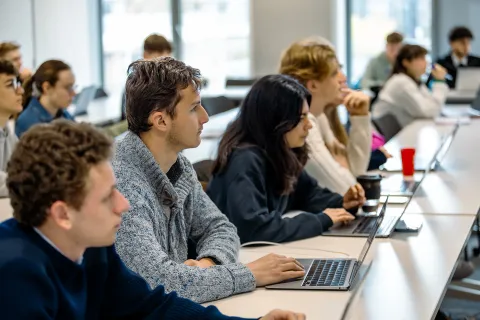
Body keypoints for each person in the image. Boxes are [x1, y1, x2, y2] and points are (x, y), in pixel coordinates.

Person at [0, 120, 305, 320]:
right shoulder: (15, 276)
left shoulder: (90, 247)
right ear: (62, 214)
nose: (123, 205)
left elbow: (153, 307)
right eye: (108, 196)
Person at [113, 57, 305, 304]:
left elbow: (221, 228)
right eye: (194, 108)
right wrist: (249, 274)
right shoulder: (122, 183)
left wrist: (208, 264)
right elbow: (158, 283)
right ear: (160, 120)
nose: (205, 117)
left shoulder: (178, 166)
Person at [207, 74, 364, 244]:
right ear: (276, 120)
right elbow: (254, 229)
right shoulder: (244, 160)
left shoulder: (281, 152)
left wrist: (342, 203)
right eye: (301, 117)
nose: (309, 125)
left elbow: (307, 194)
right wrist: (321, 220)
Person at [279, 39, 372, 195]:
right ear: (313, 85)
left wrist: (360, 116)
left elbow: (357, 171)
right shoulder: (301, 125)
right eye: (335, 72)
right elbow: (345, 189)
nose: (343, 78)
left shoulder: (319, 116)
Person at [372, 44, 449, 128]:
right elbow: (428, 111)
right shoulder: (401, 82)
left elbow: (431, 105)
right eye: (421, 59)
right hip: (392, 137)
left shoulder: (413, 81)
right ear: (406, 62)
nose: (426, 63)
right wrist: (439, 81)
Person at [15, 59, 75, 137]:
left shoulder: (65, 115)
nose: (74, 93)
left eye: (73, 87)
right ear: (46, 88)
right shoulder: (29, 123)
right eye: (67, 87)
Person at [0, 60, 23, 197]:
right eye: (10, 85)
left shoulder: (7, 131)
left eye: (18, 84)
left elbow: (25, 167)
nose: (20, 90)